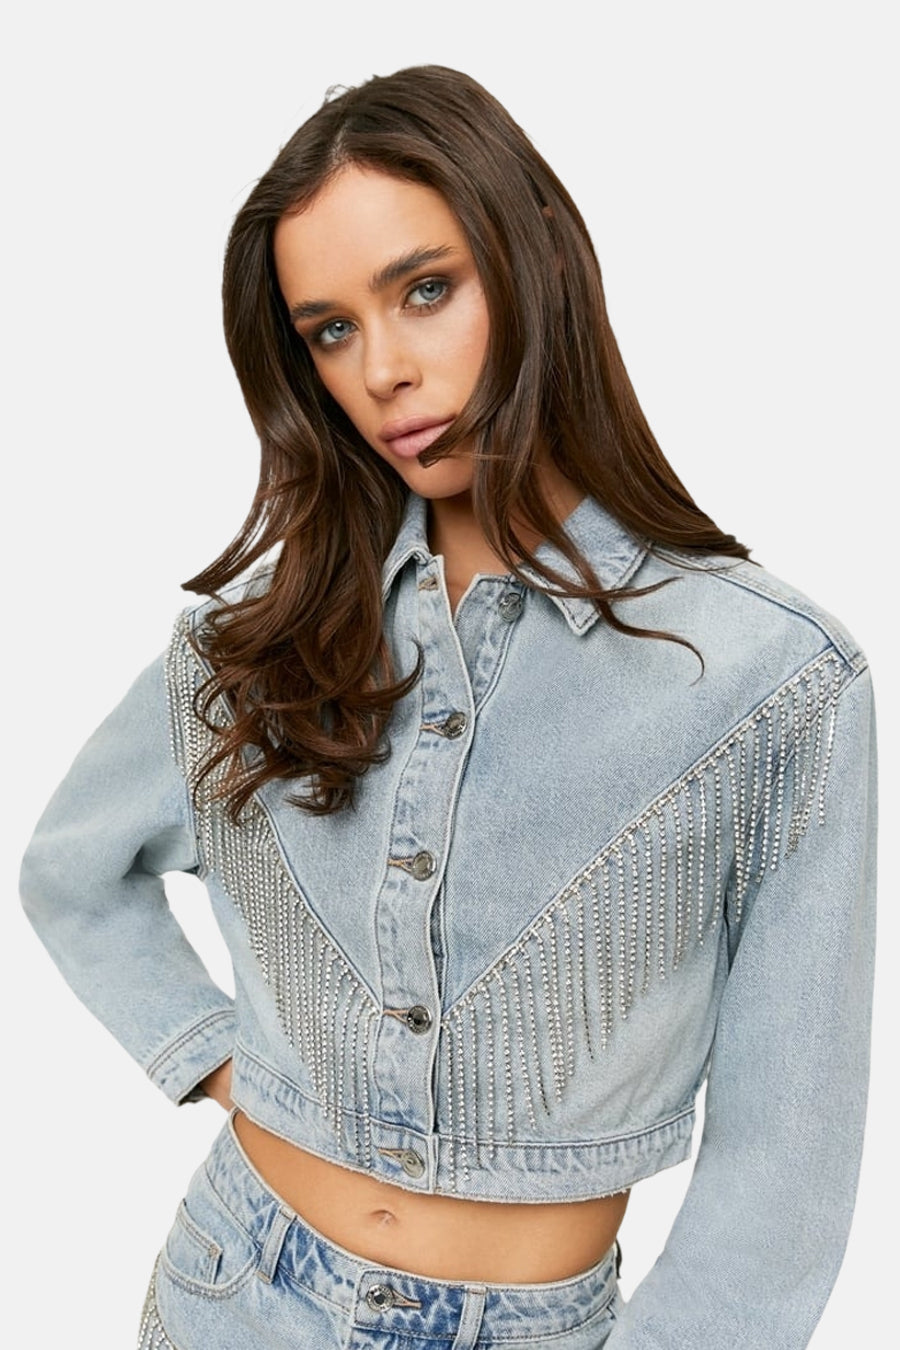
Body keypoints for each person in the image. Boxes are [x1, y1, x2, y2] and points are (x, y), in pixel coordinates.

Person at [19, 65, 877, 1350]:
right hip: (232, 1291)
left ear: (535, 265)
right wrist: (224, 1059)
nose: (384, 371)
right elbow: (73, 870)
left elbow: (785, 1167)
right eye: (330, 330)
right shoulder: (258, 639)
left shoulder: (774, 684)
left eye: (426, 289)